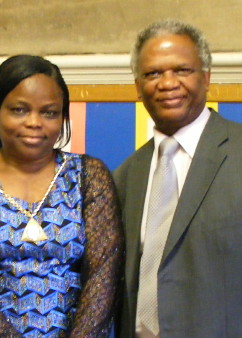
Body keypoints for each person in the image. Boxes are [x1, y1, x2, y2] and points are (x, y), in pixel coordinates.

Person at [0, 54, 123, 337]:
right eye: (20, 110)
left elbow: (104, 273)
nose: (34, 122)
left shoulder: (88, 176)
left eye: (49, 112)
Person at [114, 19, 242, 338]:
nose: (167, 83)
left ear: (207, 77)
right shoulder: (125, 176)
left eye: (182, 70)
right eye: (153, 73)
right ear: (137, 85)